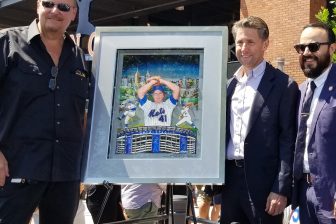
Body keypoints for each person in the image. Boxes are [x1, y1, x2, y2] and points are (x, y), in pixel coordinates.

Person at [0, 0, 90, 223]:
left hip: (65, 175)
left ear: (74, 13)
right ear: (37, 6)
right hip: (14, 170)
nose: (55, 11)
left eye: (64, 7)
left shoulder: (78, 57)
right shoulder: (7, 42)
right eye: (49, 3)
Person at [221, 16, 298, 224]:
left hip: (264, 188)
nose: (243, 48)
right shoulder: (227, 86)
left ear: (266, 44)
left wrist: (280, 189)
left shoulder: (284, 86)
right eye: (239, 42)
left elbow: (288, 140)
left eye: (250, 42)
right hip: (229, 183)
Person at [292, 23, 336, 224]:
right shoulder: (299, 91)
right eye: (302, 48)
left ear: (332, 49)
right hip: (304, 193)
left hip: (331, 196)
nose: (307, 52)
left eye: (314, 46)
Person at [121, 76, 179, 223]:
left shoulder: (168, 105)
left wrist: (162, 81)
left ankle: (165, 196)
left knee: (164, 177)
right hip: (149, 143)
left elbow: (176, 89)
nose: (158, 95)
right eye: (156, 93)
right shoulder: (148, 105)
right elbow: (140, 92)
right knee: (152, 175)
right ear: (152, 95)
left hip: (165, 143)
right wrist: (153, 82)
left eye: (160, 93)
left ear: (163, 95)